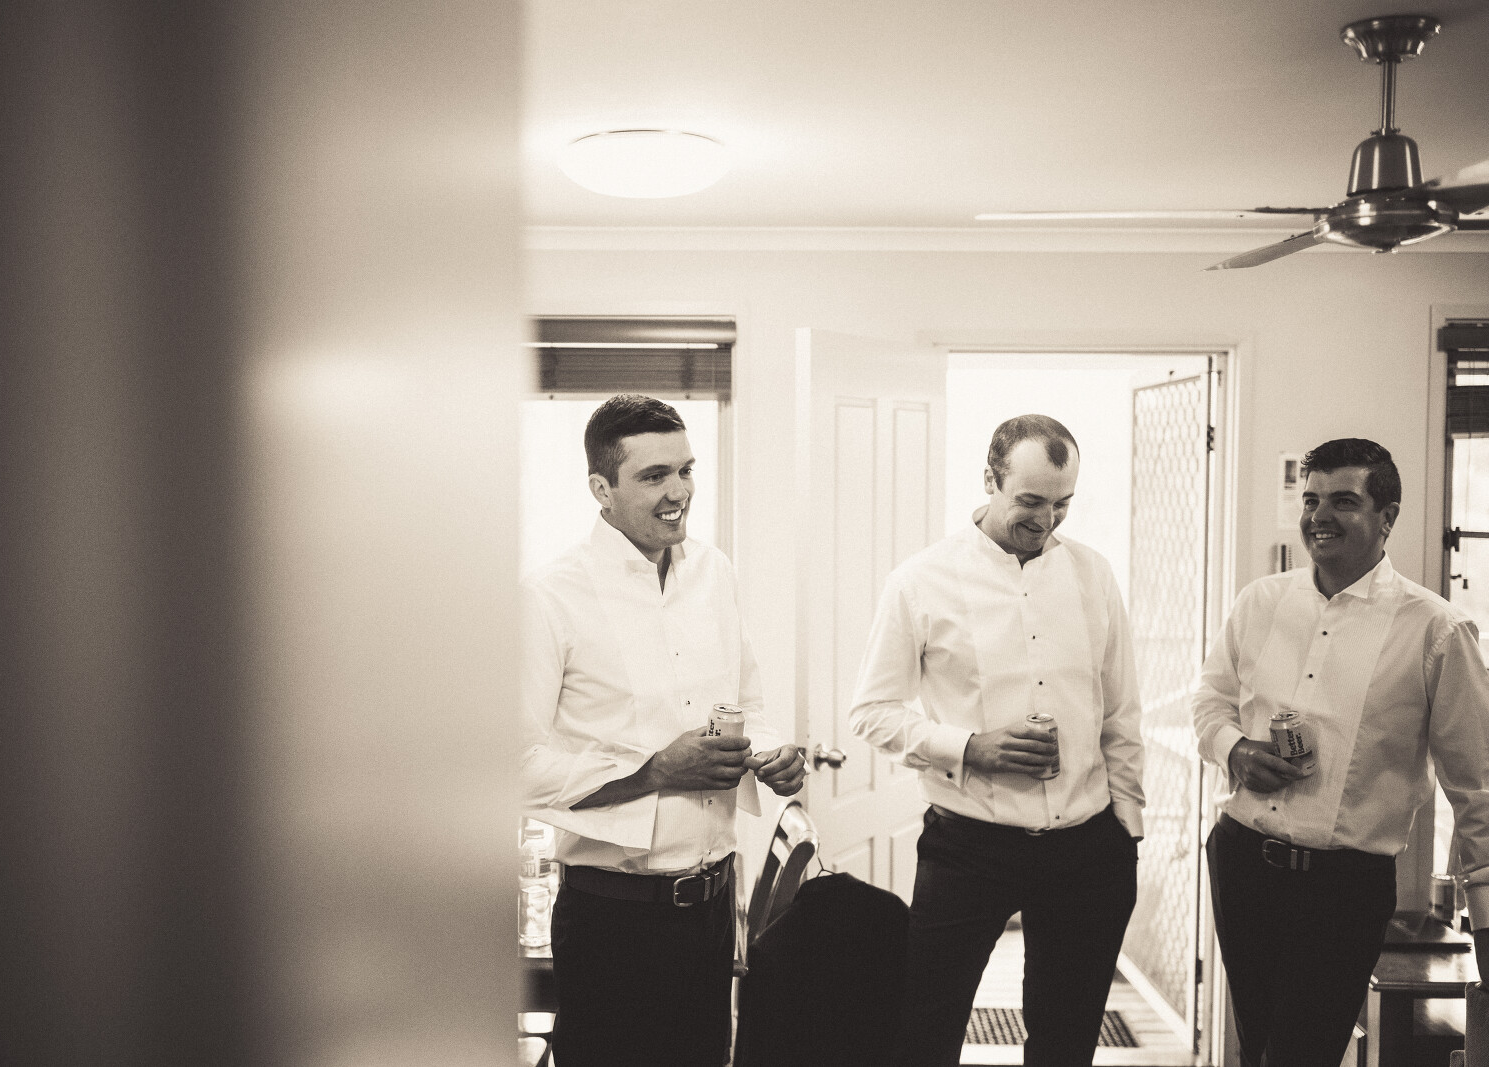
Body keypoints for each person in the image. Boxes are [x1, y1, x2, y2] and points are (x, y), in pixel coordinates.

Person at [850, 414, 1146, 1067]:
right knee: (925, 1034)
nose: (1047, 520)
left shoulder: (1094, 575)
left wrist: (1127, 825)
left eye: (1063, 504)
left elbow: (1122, 710)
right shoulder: (921, 580)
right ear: (990, 479)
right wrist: (969, 747)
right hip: (969, 848)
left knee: (1066, 1043)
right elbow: (871, 712)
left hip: (1087, 849)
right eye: (1031, 501)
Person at [522, 394, 807, 1067]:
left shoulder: (715, 572)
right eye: (654, 476)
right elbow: (516, 764)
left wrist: (772, 751)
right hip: (610, 919)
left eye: (686, 469)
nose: (679, 491)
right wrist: (655, 772)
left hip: (712, 907)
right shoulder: (547, 597)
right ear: (602, 488)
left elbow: (748, 702)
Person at [1194, 438, 1489, 1067]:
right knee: (1257, 1046)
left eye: (1344, 502)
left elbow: (1477, 788)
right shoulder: (1259, 602)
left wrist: (1485, 917)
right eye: (1311, 500)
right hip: (1242, 862)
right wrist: (1235, 750)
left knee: (1302, 1053)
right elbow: (1209, 701)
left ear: (1388, 516)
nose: (1319, 516)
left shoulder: (1437, 630)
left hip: (1342, 888)